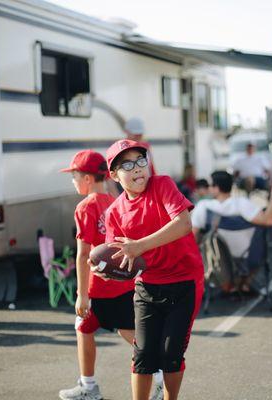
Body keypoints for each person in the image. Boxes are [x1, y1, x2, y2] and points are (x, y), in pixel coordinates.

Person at [58, 150, 163, 400]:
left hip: (100, 285)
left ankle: (91, 386)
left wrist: (81, 295)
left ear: (86, 178)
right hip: (122, 280)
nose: (73, 181)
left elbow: (83, 255)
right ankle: (92, 384)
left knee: (93, 324)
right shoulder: (115, 200)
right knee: (106, 327)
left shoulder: (85, 207)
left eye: (74, 176)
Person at [103, 139, 204, 400]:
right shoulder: (114, 212)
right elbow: (117, 257)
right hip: (147, 285)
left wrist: (139, 246)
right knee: (143, 354)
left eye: (140, 161)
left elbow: (183, 225)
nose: (137, 168)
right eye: (127, 164)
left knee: (171, 355)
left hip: (185, 282)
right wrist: (105, 269)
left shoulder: (162, 185)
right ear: (114, 175)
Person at [191, 170, 272, 295]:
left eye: (211, 186)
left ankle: (228, 285)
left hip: (216, 261)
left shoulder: (204, 207)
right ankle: (243, 283)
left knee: (203, 243)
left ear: (216, 188)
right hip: (248, 259)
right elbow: (269, 220)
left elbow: (192, 238)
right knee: (259, 238)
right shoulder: (242, 204)